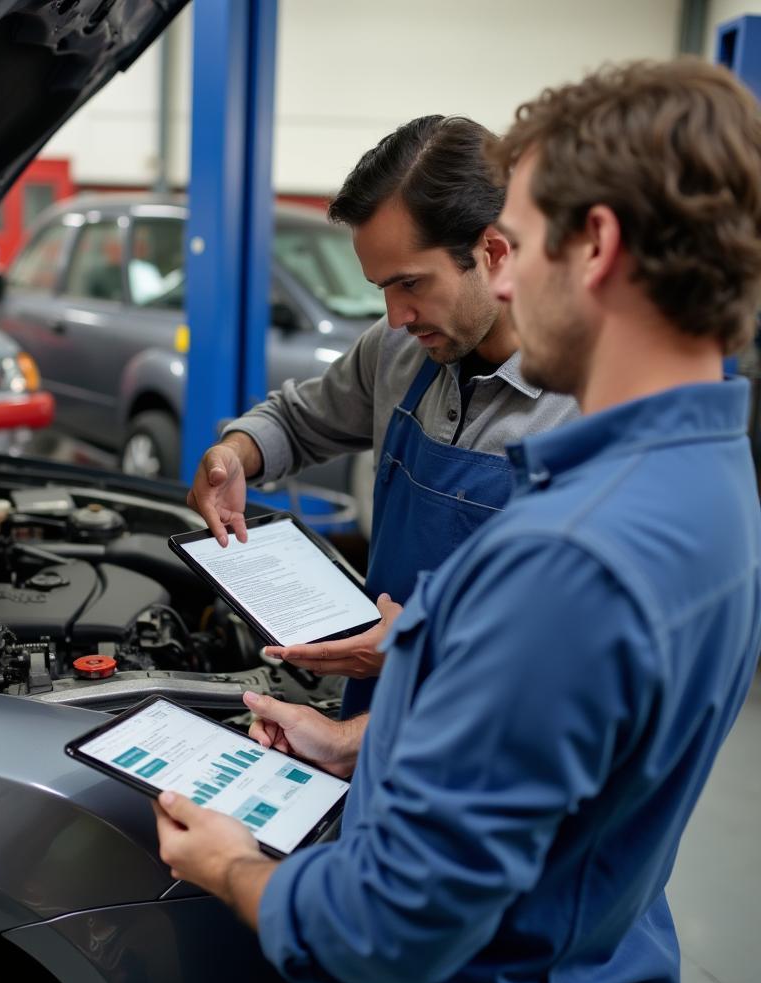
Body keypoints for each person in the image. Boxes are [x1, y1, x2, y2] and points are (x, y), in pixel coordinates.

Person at [155, 59, 761, 983]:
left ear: (593, 244)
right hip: (578, 964)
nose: (507, 275)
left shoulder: (571, 557)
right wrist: (365, 743)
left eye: (515, 241)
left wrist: (229, 864)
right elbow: (550, 762)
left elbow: (389, 923)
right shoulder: (706, 478)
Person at [187, 115, 577, 719]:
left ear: (493, 252)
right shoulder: (399, 351)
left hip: (482, 736)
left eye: (410, 284)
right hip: (374, 704)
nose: (396, 316)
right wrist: (235, 453)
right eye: (381, 291)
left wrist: (412, 650)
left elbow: (560, 653)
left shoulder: (579, 413)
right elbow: (295, 420)